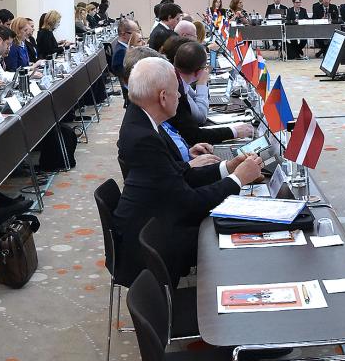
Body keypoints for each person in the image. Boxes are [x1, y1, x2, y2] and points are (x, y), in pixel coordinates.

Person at [114, 57, 266, 284]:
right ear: (163, 97)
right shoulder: (143, 137)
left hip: (155, 221)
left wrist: (226, 167)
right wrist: (238, 179)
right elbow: (189, 203)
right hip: (150, 243)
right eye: (178, 92)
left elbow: (179, 174)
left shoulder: (143, 123)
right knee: (234, 234)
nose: (180, 97)